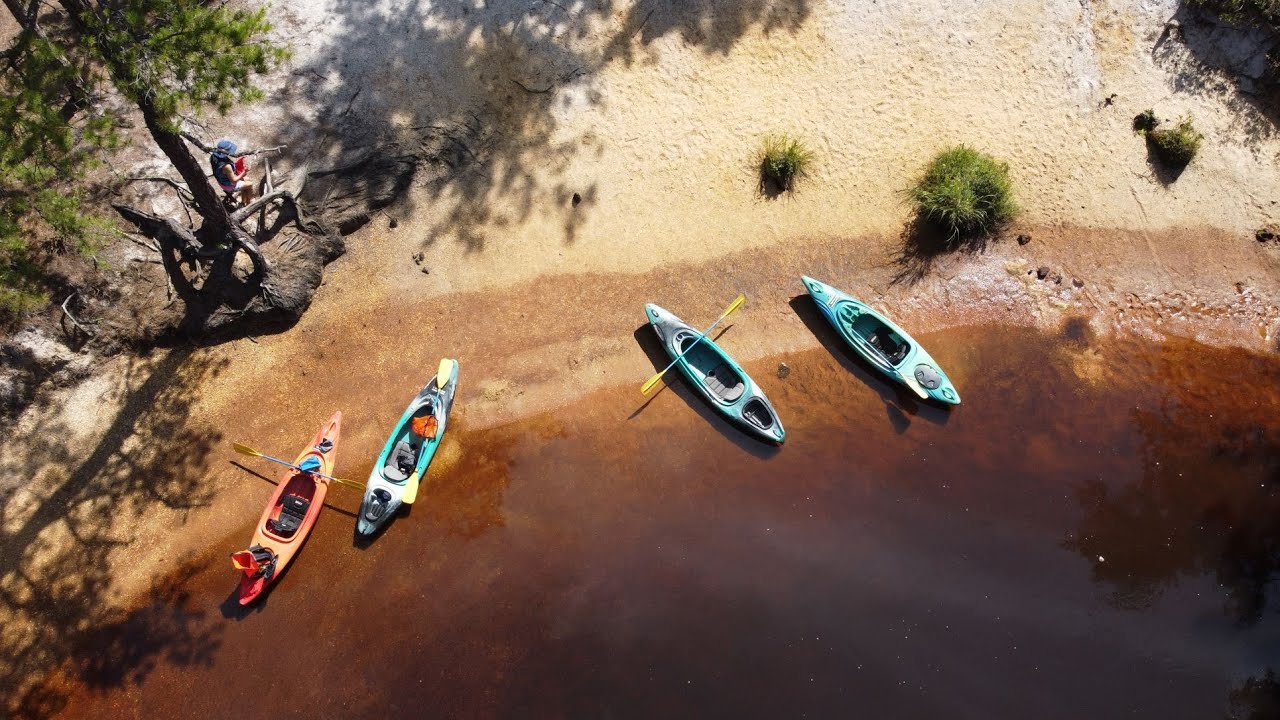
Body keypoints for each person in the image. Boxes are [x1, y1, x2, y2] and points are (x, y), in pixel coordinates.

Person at [209, 139, 255, 206]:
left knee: (247, 180)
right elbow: (234, 181)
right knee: (250, 184)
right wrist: (244, 172)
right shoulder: (227, 166)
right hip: (228, 185)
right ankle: (250, 202)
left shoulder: (213, 156)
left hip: (221, 181)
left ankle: (243, 201)